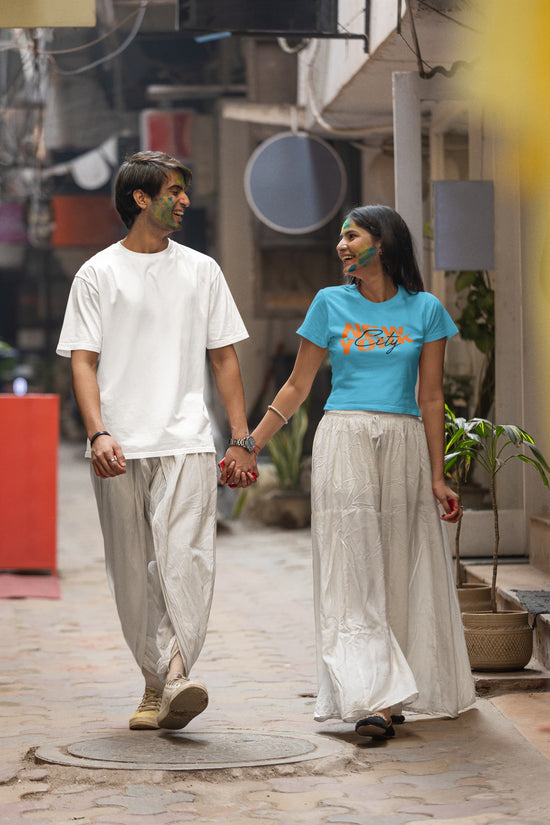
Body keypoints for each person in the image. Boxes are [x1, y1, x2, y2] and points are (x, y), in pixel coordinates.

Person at [225, 205, 476, 739]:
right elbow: (296, 387)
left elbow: (430, 398)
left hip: (405, 441)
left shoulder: (426, 310)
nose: (341, 244)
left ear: (381, 243)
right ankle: (371, 697)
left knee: (398, 562)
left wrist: (438, 475)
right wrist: (248, 444)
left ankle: (394, 686)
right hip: (344, 439)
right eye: (341, 236)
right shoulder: (328, 304)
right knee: (353, 566)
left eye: (351, 235)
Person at [57, 150, 257, 732]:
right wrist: (97, 432)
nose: (186, 200)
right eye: (175, 190)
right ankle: (156, 682)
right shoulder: (97, 274)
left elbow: (223, 359)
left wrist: (240, 439)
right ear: (141, 199)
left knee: (185, 559)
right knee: (133, 568)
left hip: (188, 440)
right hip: (120, 445)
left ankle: (173, 674)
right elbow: (84, 362)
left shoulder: (202, 270)